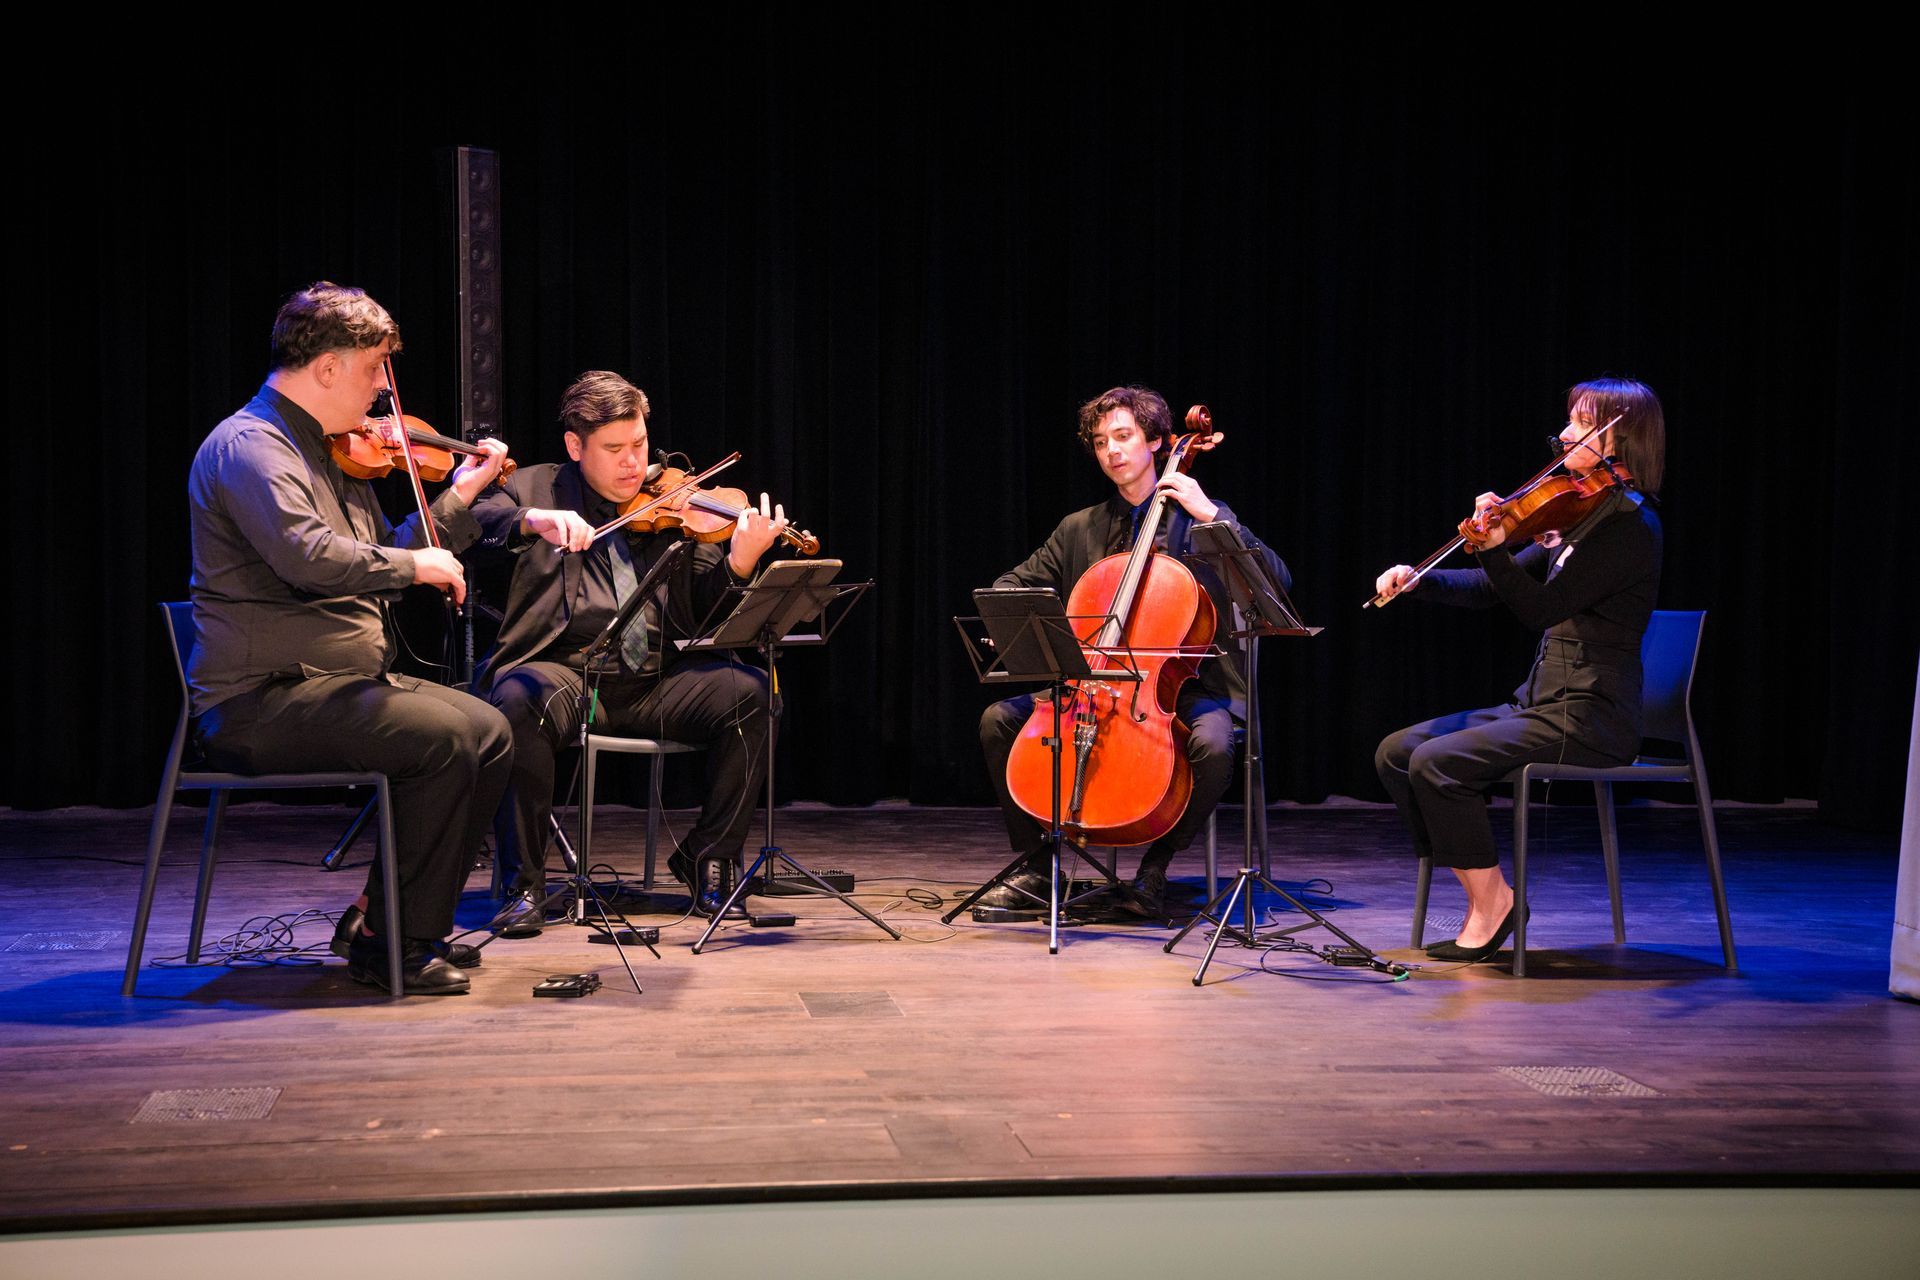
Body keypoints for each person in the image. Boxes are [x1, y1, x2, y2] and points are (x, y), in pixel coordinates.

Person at [187, 282, 515, 996]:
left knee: (490, 730)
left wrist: (460, 495)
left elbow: (383, 554)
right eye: (373, 372)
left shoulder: (333, 452)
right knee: (442, 739)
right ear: (329, 367)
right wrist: (414, 566)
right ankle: (394, 945)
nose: (382, 393)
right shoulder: (251, 447)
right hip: (261, 698)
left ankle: (378, 920)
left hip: (331, 685)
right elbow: (307, 557)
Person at [472, 371, 787, 929]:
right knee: (517, 698)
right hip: (570, 678)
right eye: (614, 449)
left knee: (752, 694)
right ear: (575, 446)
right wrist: (533, 521)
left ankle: (706, 859)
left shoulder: (677, 503)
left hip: (657, 680)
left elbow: (704, 615)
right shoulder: (533, 489)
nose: (632, 463)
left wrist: (740, 563)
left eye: (639, 444)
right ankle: (523, 886)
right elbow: (475, 522)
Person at [1372, 376, 1666, 963]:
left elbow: (1540, 609)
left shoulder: (1630, 526)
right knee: (1397, 752)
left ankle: (1493, 906)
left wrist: (1495, 549)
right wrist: (1420, 581)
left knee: (1438, 762)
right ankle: (1485, 891)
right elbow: (1490, 589)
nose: (1565, 433)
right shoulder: (1579, 513)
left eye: (1584, 424)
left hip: (1593, 716)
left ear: (1622, 438)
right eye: (1571, 419)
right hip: (1541, 702)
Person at [976, 385, 1288, 918]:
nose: (1111, 451)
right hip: (1095, 684)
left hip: (1182, 688)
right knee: (998, 720)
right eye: (1101, 442)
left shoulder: (1200, 518)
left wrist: (1209, 514)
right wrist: (1020, 616)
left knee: (1214, 745)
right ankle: (1038, 867)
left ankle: (1155, 869)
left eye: (1122, 436)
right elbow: (1012, 584)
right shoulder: (1080, 528)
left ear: (1159, 442)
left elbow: (1274, 583)